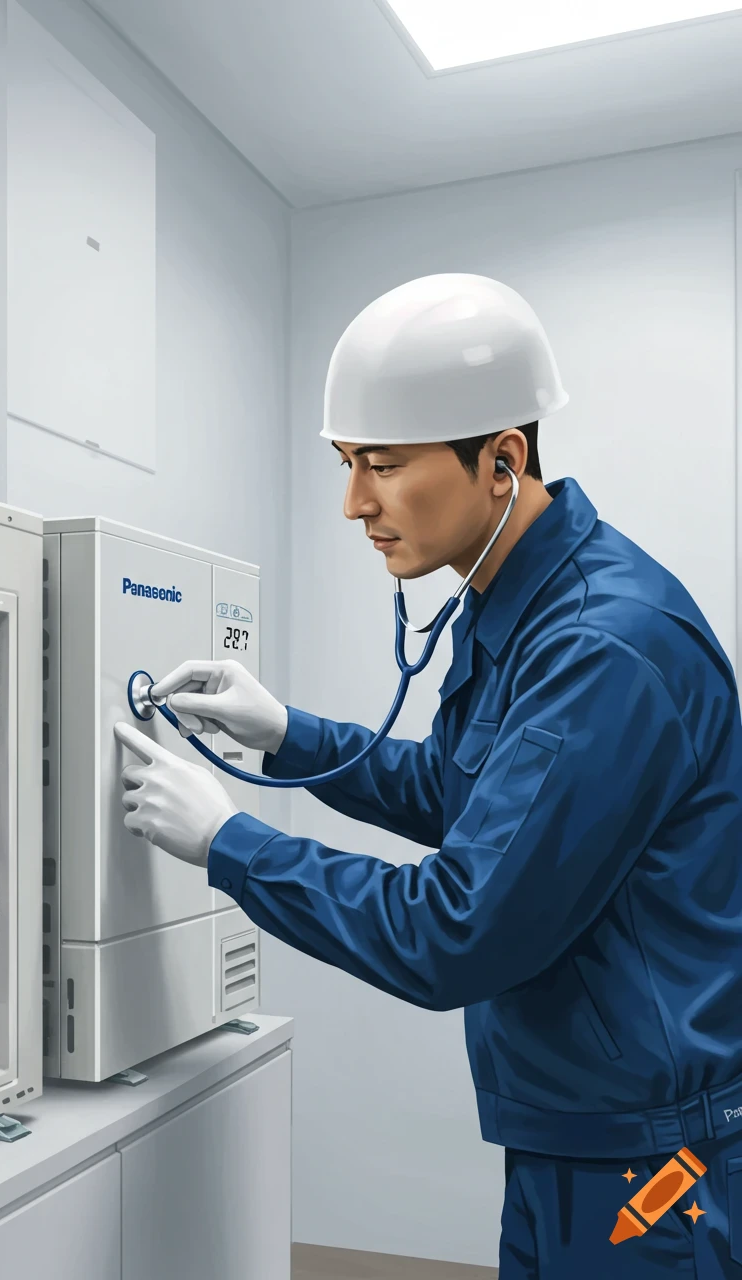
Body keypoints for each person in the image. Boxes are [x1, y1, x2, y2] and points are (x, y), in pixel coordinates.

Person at [115, 274, 742, 1278]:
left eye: (383, 464)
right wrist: (288, 734)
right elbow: (467, 797)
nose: (354, 502)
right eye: (346, 463)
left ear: (502, 460)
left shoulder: (602, 649)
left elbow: (456, 927)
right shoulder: (516, 602)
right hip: (568, 1134)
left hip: (643, 1164)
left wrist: (231, 843)